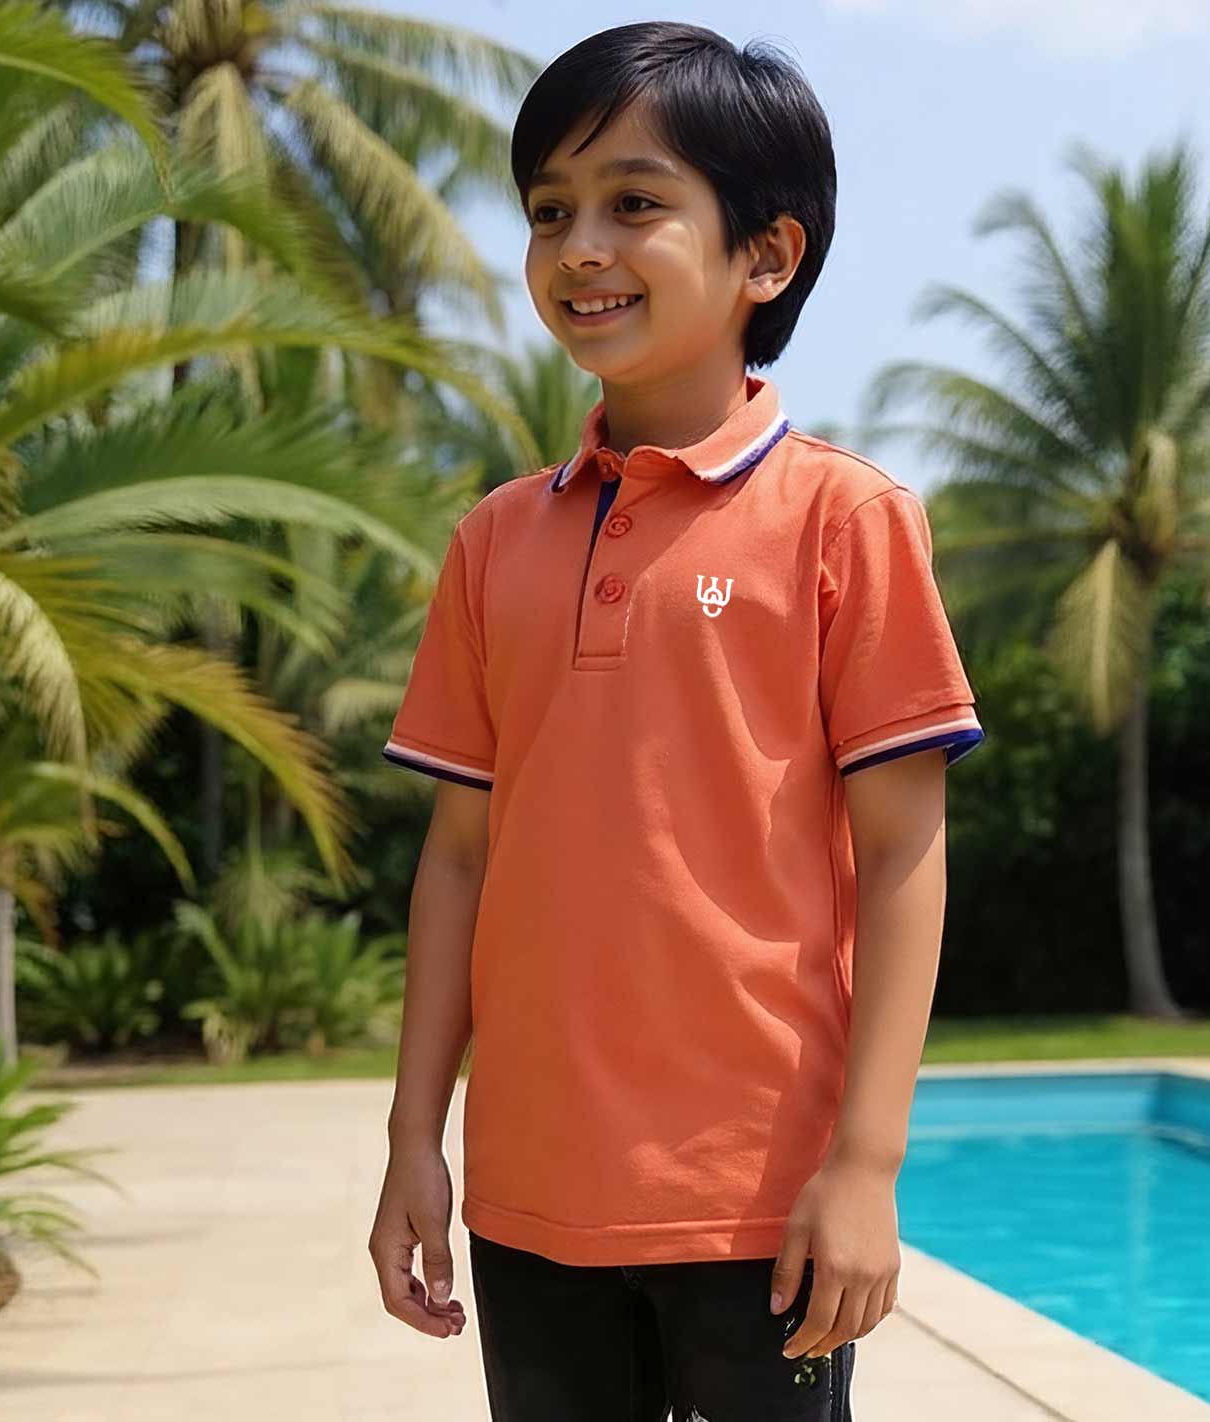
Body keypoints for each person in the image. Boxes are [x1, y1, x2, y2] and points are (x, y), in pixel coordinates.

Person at [367, 20, 985, 1421]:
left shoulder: (846, 518)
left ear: (765, 256)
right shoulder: (491, 543)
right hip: (528, 1201)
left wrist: (864, 1167)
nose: (580, 245)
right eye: (548, 211)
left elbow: (899, 854)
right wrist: (416, 1136)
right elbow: (458, 857)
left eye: (634, 204)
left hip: (754, 1207)